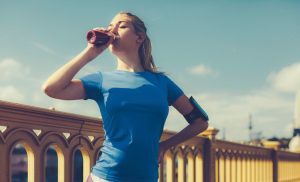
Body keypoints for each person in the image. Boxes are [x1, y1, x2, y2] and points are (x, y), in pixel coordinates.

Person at [42, 11, 209, 182]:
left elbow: (200, 122)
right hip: (105, 176)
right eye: (109, 27)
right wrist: (90, 52)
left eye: (121, 26)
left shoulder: (162, 83)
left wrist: (164, 146)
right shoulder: (101, 80)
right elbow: (51, 88)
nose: (113, 30)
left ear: (140, 37)